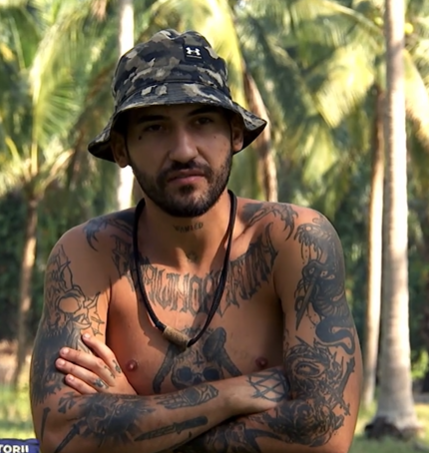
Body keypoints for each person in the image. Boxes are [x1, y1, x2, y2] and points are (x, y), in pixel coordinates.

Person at [28, 29, 362, 453]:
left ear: (235, 134)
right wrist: (232, 396)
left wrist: (134, 418)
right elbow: (62, 435)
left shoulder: (294, 241)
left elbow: (325, 434)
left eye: (202, 122)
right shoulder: (90, 255)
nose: (184, 150)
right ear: (121, 148)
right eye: (155, 127)